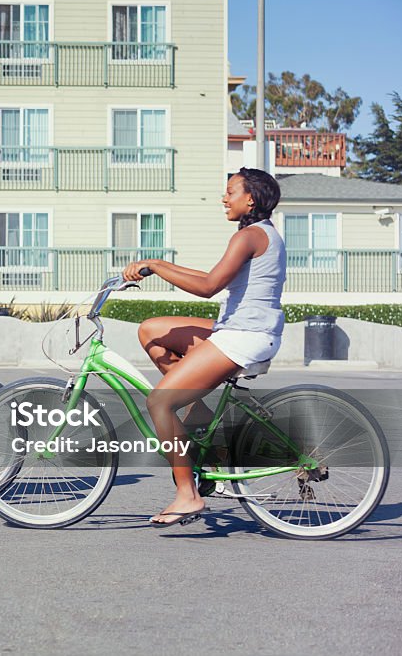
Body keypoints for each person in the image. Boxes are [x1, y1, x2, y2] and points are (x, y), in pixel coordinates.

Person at [122, 167, 285, 527]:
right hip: (237, 328)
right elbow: (209, 278)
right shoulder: (255, 235)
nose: (224, 198)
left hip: (244, 336)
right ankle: (204, 430)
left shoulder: (250, 236)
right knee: (151, 331)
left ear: (251, 199)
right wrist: (156, 265)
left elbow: (208, 286)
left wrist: (156, 264)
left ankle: (187, 495)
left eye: (230, 192)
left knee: (159, 402)